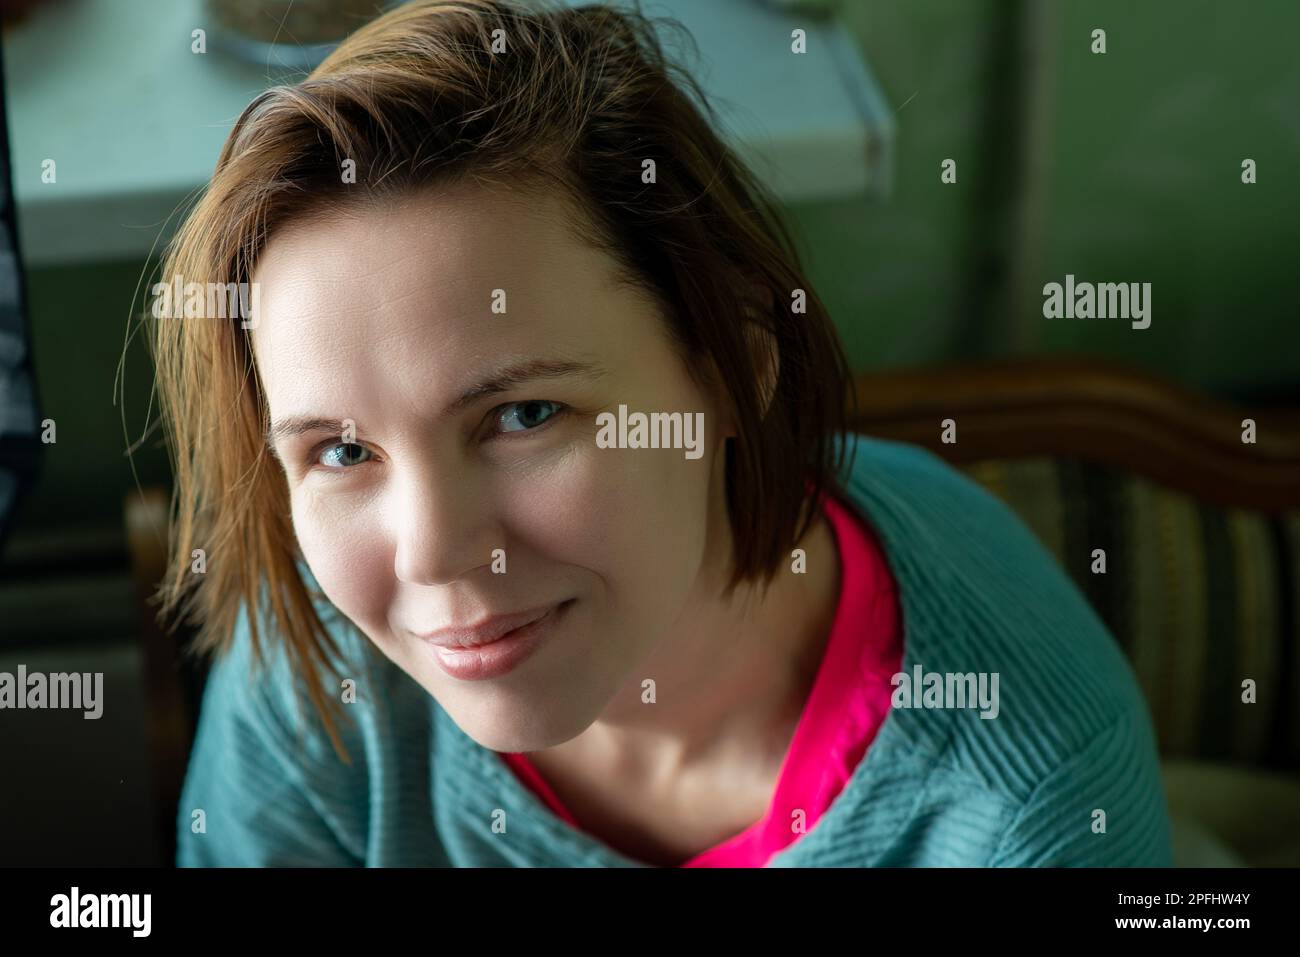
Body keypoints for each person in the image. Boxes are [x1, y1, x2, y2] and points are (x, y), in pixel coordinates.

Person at [158, 0, 1171, 867]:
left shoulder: (1031, 800)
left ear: (734, 366)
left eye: (522, 415)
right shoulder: (317, 651)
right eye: (342, 452)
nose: (428, 554)